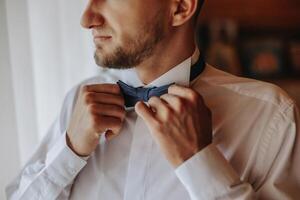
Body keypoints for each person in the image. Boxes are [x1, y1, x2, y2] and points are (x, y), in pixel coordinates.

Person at [6, 0, 300, 199]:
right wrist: (68, 152)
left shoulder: (271, 115)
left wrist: (199, 162)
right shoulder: (79, 101)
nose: (87, 18)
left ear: (181, 7)